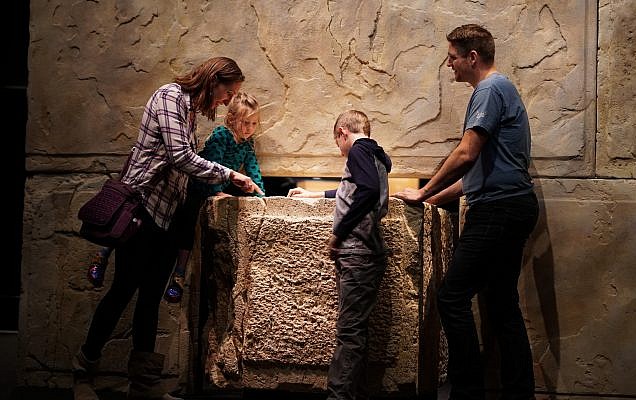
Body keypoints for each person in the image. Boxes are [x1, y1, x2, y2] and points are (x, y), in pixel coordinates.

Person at [72, 57, 262, 400]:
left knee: (149, 300)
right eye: (226, 93)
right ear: (213, 80)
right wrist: (229, 174)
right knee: (121, 292)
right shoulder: (170, 97)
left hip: (165, 216)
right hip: (141, 211)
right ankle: (83, 375)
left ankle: (143, 385)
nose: (225, 101)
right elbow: (180, 157)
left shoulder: (189, 111)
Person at [393, 24, 539, 400]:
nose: (448, 64)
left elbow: (466, 154)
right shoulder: (500, 89)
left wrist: (425, 189)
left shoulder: (489, 89)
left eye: (453, 57)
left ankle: (469, 391)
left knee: (452, 296)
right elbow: (476, 175)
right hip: (511, 205)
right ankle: (518, 391)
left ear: (472, 57)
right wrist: (430, 198)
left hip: (498, 211)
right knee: (502, 302)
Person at [84, 92, 266, 304]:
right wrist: (216, 190)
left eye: (254, 123)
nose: (249, 128)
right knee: (126, 220)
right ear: (232, 118)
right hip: (191, 187)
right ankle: (103, 254)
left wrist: (261, 195)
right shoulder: (221, 135)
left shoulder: (247, 144)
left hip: (208, 193)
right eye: (245, 122)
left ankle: (178, 275)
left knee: (186, 231)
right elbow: (213, 164)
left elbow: (253, 170)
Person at [288, 110, 392, 400]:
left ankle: (338, 396)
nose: (339, 150)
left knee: (349, 333)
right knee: (357, 330)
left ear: (343, 132)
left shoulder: (358, 150)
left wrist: (339, 233)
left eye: (337, 142)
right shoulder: (375, 154)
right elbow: (353, 190)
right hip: (368, 252)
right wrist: (317, 195)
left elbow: (367, 191)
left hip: (357, 251)